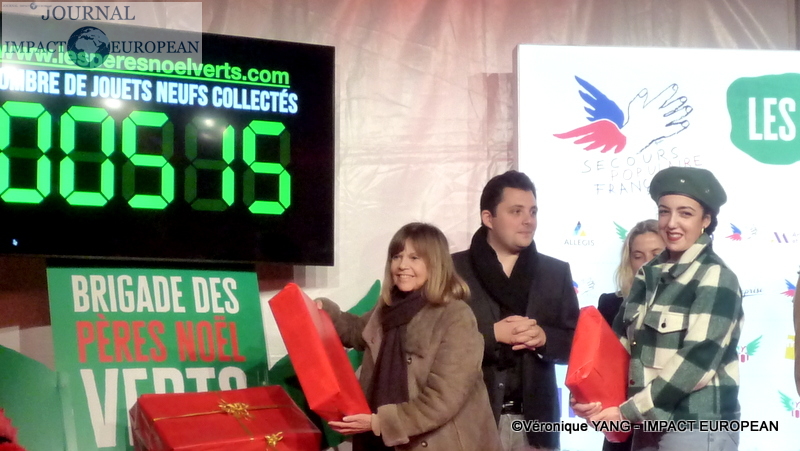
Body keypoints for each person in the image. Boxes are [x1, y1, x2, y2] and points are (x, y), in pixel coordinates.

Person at [574, 166, 743, 451]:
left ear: (706, 220)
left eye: (685, 213)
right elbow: (618, 349)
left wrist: (627, 412)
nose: (671, 223)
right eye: (664, 212)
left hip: (694, 426)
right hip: (646, 423)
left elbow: (697, 361)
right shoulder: (648, 274)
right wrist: (589, 395)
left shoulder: (715, 276)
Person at [316, 222, 502, 451]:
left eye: (414, 258)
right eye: (397, 256)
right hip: (380, 440)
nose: (402, 265)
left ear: (436, 263)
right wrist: (324, 312)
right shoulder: (387, 308)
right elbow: (356, 332)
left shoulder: (456, 316)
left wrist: (380, 422)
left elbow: (442, 399)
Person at [451, 170, 580, 451]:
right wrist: (491, 335)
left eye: (533, 211)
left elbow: (576, 344)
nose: (528, 220)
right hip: (469, 421)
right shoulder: (453, 271)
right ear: (489, 218)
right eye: (516, 211)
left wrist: (544, 338)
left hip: (536, 426)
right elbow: (434, 344)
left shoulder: (555, 272)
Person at [596, 219, 664, 451]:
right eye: (638, 256)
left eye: (656, 254)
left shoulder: (690, 304)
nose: (647, 263)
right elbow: (600, 367)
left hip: (668, 426)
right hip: (621, 426)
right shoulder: (610, 305)